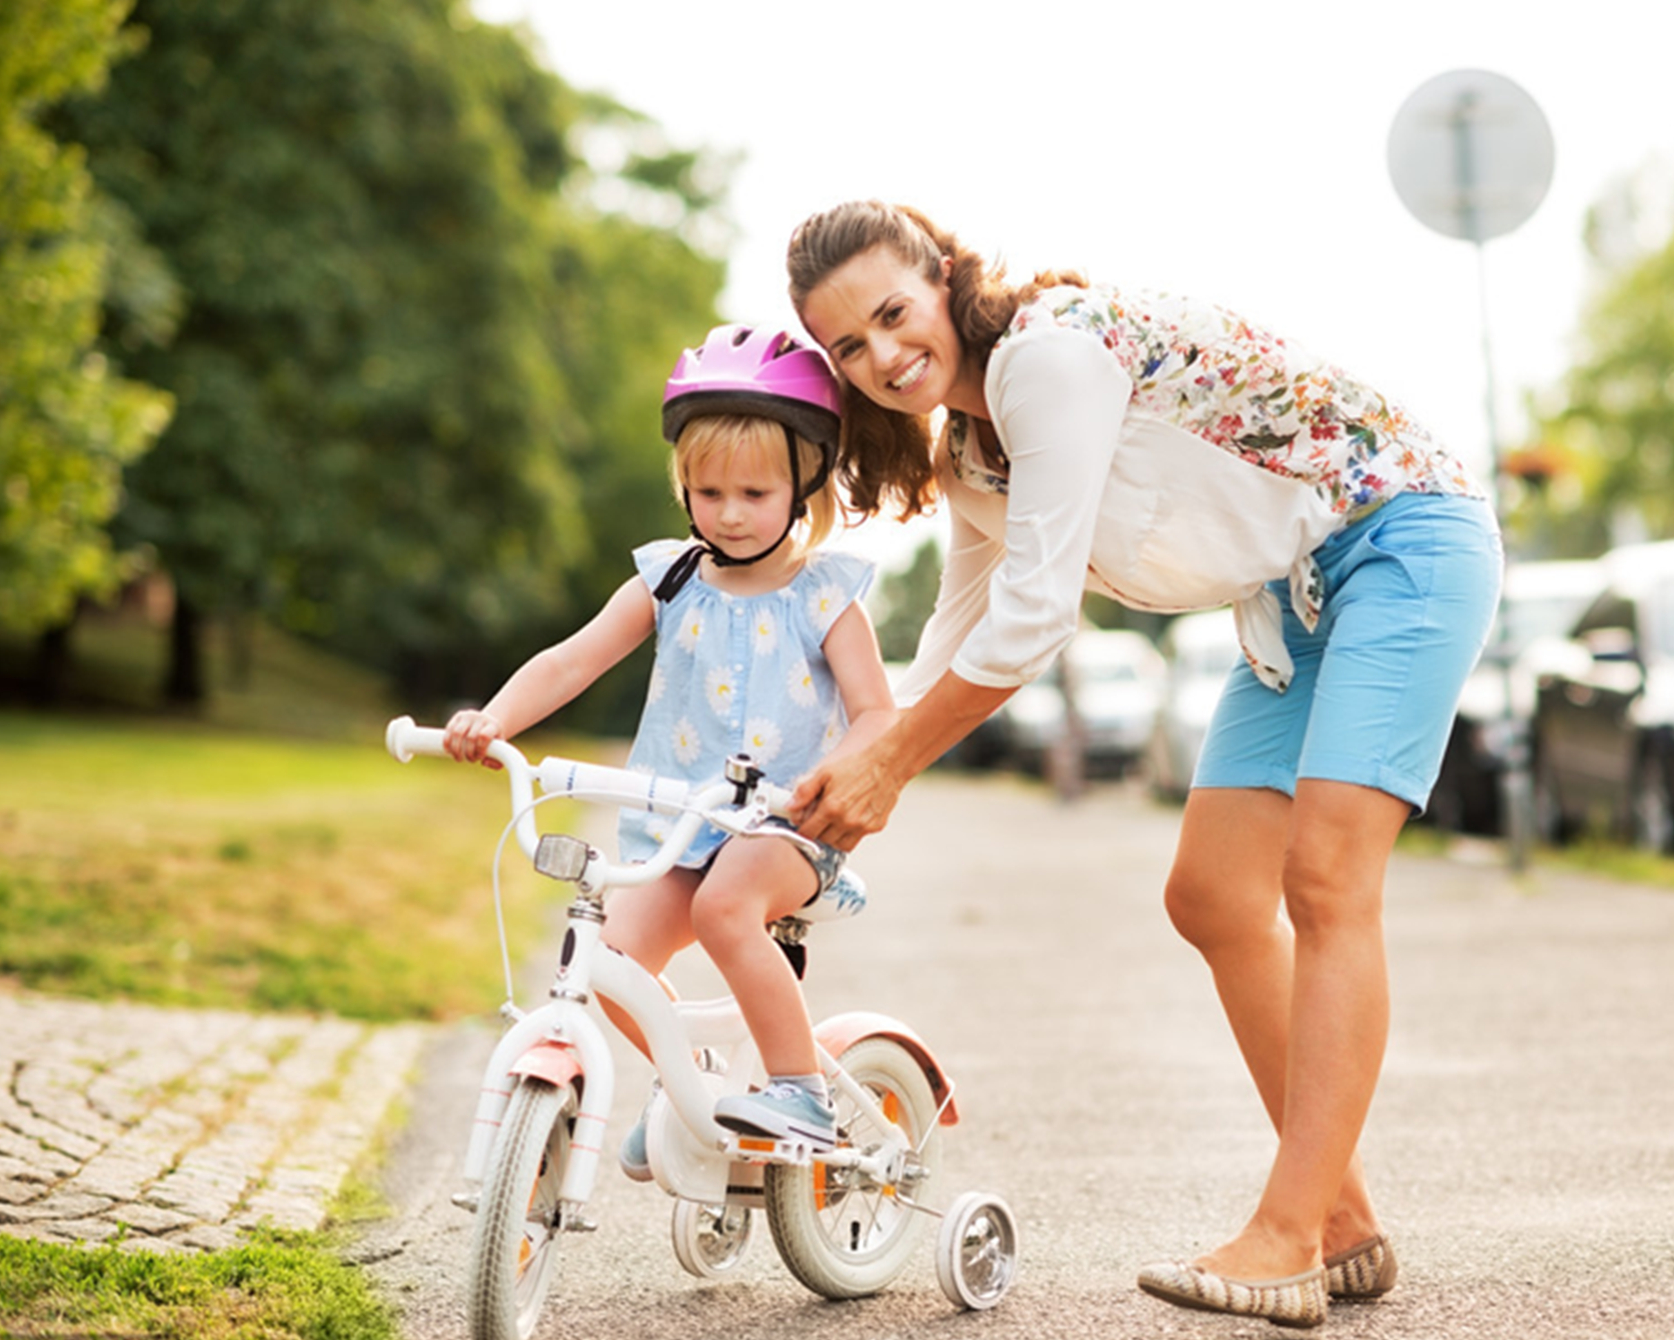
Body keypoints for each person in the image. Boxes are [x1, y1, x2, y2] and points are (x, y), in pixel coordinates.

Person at [785, 200, 1501, 1328]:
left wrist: (894, 773)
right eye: (847, 347)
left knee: (1324, 878)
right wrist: (826, 767)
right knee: (1213, 895)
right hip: (1291, 593)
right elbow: (945, 646)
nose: (881, 355)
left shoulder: (1048, 357)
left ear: (939, 279)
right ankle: (1343, 1221)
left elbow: (1030, 623)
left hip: (1399, 532)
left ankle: (1284, 1235)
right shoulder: (974, 451)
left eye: (891, 313)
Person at [442, 324, 895, 1169]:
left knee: (728, 911)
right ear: (683, 486)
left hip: (786, 828)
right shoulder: (670, 579)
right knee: (608, 959)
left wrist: (838, 775)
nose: (728, 512)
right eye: (708, 489)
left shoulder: (824, 595)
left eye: (755, 493)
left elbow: (876, 713)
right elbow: (571, 660)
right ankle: (695, 1088)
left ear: (805, 484)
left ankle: (802, 1088)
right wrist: (494, 719)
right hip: (682, 825)